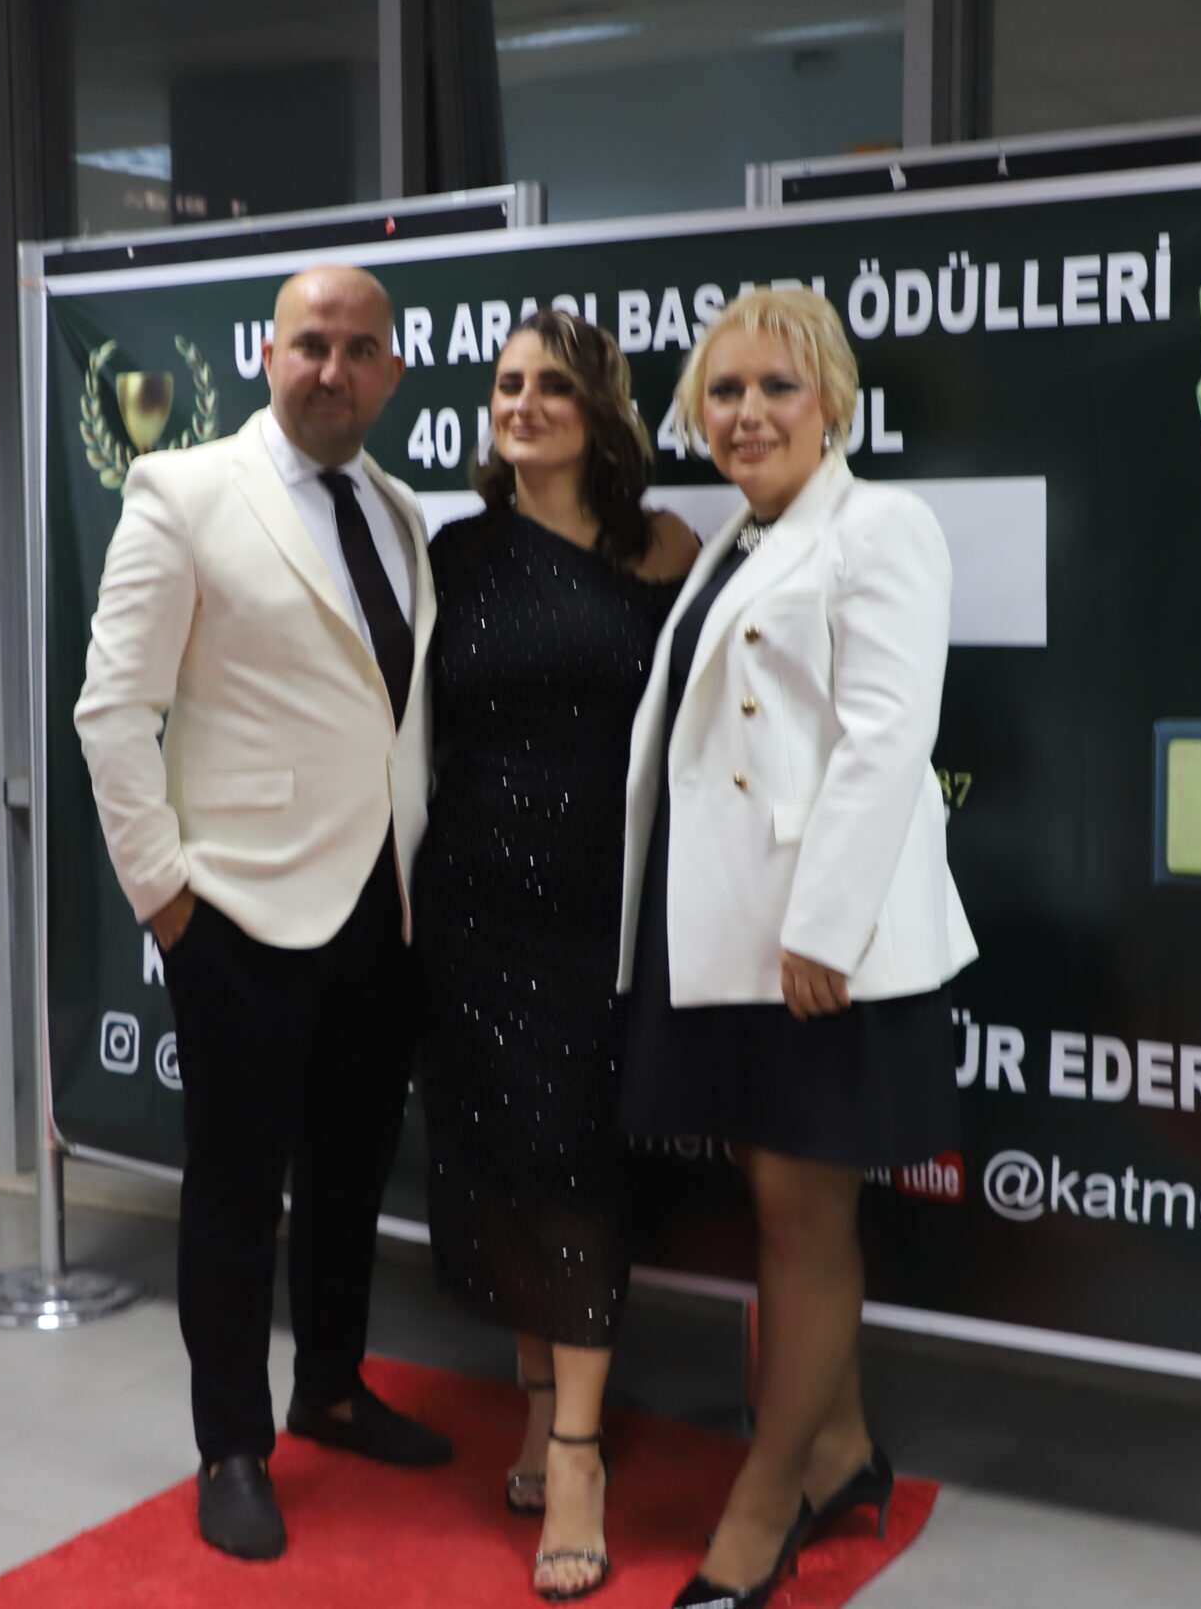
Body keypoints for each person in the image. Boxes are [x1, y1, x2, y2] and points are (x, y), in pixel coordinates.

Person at [75, 265, 451, 1562]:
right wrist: (165, 897)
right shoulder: (182, 492)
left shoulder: (399, 510)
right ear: (268, 354)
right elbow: (112, 713)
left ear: (390, 371)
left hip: (381, 908)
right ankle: (230, 1443)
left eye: (357, 349)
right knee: (238, 1193)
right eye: (310, 345)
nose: (331, 369)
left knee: (349, 1176)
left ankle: (331, 1389)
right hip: (234, 910)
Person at [617, 288, 976, 1609]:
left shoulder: (881, 525)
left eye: (778, 386)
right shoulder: (733, 538)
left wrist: (821, 928)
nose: (749, 413)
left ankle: (763, 1506)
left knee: (805, 1224)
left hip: (824, 945)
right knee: (779, 1208)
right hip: (736, 935)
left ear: (831, 399)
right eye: (724, 391)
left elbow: (888, 739)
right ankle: (840, 1453)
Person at [417, 311, 699, 1601]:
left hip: (601, 910)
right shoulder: (456, 555)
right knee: (501, 1161)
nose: (521, 404)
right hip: (470, 907)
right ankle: (537, 1405)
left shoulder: (664, 547)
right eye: (505, 384)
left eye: (551, 386)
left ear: (599, 412)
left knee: (576, 1161)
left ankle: (578, 1455)